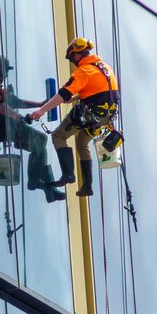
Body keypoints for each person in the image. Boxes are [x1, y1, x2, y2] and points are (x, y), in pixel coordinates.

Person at [26, 37, 120, 198]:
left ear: (77, 55)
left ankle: (68, 174)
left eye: (72, 58)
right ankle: (87, 186)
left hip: (88, 114)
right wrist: (77, 97)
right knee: (82, 142)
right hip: (104, 118)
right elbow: (99, 90)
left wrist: (41, 111)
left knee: (58, 136)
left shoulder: (83, 71)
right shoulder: (104, 67)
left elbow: (63, 93)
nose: (73, 62)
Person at [0, 53, 66, 203]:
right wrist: (18, 117)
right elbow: (2, 107)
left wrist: (41, 104)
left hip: (0, 129)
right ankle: (35, 181)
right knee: (40, 139)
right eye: (4, 73)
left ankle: (49, 188)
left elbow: (15, 101)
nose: (4, 77)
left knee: (40, 144)